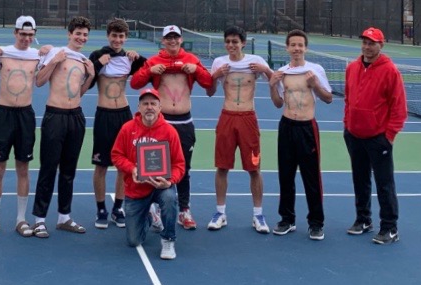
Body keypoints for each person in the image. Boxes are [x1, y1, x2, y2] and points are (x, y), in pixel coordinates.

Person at [130, 24, 212, 230]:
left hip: (184, 122)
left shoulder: (191, 59)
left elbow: (208, 82)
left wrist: (197, 70)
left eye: (176, 37)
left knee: (183, 167)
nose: (173, 41)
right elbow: (135, 83)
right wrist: (149, 70)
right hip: (161, 122)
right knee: (154, 166)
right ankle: (153, 209)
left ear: (181, 39)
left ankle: (184, 210)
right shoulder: (155, 61)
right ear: (163, 41)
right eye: (169, 38)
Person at [0, 16, 47, 237]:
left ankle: (21, 219)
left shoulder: (37, 56)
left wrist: (50, 50)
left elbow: (51, 68)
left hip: (25, 115)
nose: (26, 39)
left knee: (23, 168)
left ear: (34, 36)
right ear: (15, 33)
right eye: (23, 34)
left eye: (30, 35)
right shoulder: (1, 53)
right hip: (3, 114)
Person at [30, 16, 95, 238]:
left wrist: (91, 76)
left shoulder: (83, 60)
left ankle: (64, 217)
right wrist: (55, 60)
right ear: (69, 34)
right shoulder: (55, 53)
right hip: (55, 116)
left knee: (69, 171)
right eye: (78, 33)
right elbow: (39, 81)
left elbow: (80, 92)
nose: (81, 38)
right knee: (48, 168)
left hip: (76, 117)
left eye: (85, 35)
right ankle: (39, 220)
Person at [205, 26, 272, 233]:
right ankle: (220, 212)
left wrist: (266, 71)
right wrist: (215, 75)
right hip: (227, 117)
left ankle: (258, 215)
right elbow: (209, 92)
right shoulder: (219, 62)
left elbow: (275, 82)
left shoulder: (256, 61)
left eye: (235, 41)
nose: (231, 45)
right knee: (222, 166)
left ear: (243, 42)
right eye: (228, 41)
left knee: (254, 168)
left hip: (248, 118)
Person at [343, 27, 407, 244]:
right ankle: (363, 220)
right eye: (364, 42)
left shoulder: (390, 71)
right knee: (359, 180)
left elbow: (399, 108)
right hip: (354, 135)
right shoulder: (352, 67)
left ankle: (390, 228)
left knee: (384, 183)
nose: (367, 47)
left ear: (381, 45)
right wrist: (347, 124)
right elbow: (348, 99)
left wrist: (389, 136)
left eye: (371, 43)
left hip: (378, 138)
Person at [268, 29, 333, 240]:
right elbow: (278, 103)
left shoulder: (315, 70)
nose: (297, 48)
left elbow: (328, 98)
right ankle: (287, 219)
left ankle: (316, 223)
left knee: (311, 178)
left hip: (307, 128)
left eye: (300, 45)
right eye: (293, 45)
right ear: (287, 48)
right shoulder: (282, 72)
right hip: (286, 126)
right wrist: (271, 86)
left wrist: (315, 84)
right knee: (285, 176)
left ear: (305, 48)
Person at [111, 88, 186, 260]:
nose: (149, 107)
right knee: (133, 241)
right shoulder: (127, 128)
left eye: (153, 103)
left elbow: (179, 164)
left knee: (169, 197)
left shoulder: (169, 132)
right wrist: (132, 169)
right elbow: (116, 155)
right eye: (145, 104)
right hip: (137, 188)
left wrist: (170, 181)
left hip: (161, 185)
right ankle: (151, 216)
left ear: (160, 107)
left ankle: (168, 239)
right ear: (139, 107)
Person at [88, 18, 146, 229]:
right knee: (101, 165)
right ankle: (101, 209)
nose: (117, 40)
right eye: (114, 35)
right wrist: (97, 64)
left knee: (125, 166)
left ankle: (117, 208)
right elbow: (87, 79)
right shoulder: (98, 55)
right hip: (104, 114)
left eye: (121, 36)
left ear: (126, 38)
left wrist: (138, 57)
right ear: (108, 36)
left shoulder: (128, 59)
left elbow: (147, 69)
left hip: (124, 115)